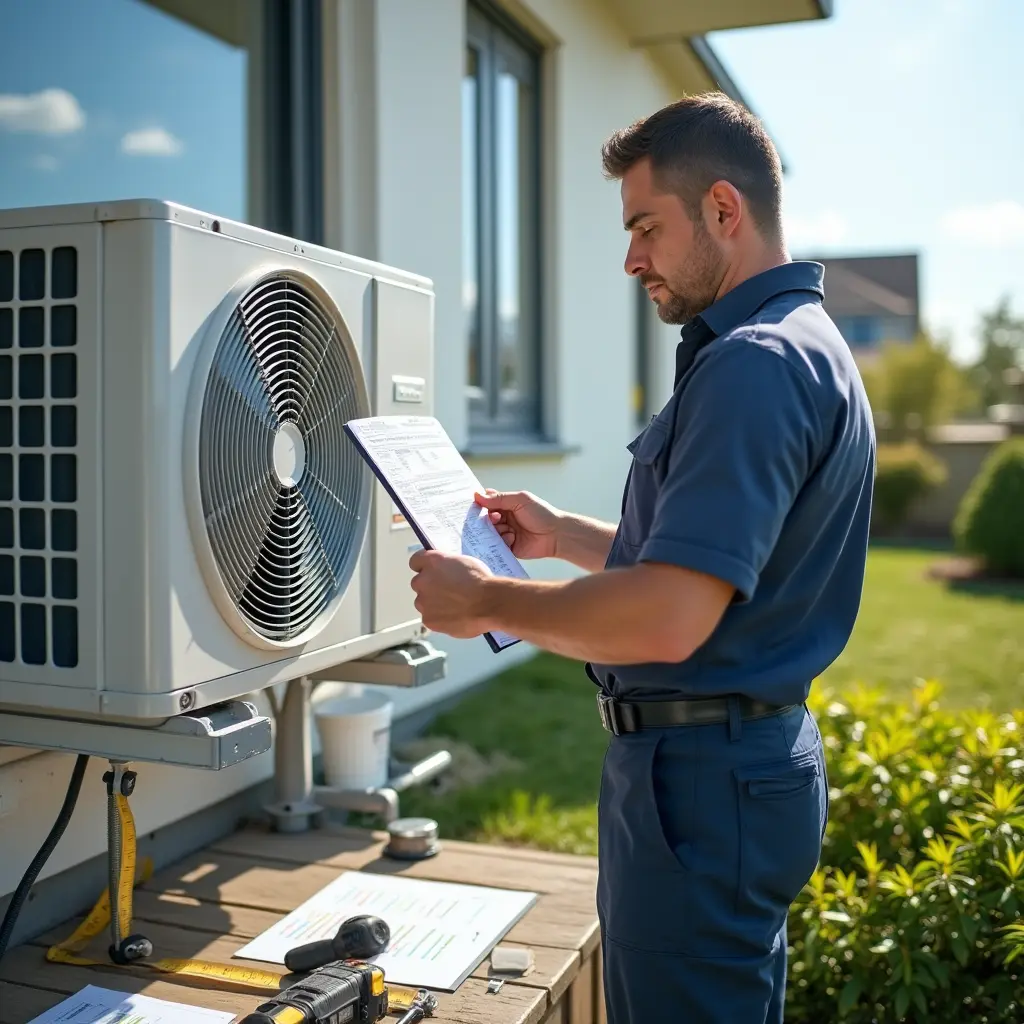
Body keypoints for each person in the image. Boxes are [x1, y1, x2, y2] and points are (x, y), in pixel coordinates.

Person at [407, 91, 875, 1023]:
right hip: (731, 771)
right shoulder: (802, 347)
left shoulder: (754, 362)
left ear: (724, 211)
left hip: (699, 787)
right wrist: (563, 537)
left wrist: (488, 601)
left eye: (645, 227)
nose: (631, 260)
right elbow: (723, 568)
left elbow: (669, 615)